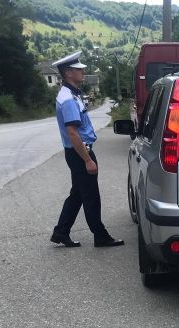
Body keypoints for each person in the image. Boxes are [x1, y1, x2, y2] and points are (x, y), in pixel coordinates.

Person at [50, 51, 123, 248]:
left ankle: (61, 232)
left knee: (78, 194)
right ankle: (100, 236)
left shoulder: (72, 94)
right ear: (68, 73)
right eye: (79, 69)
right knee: (91, 196)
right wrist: (88, 160)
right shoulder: (68, 99)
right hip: (80, 153)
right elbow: (72, 133)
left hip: (78, 152)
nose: (83, 72)